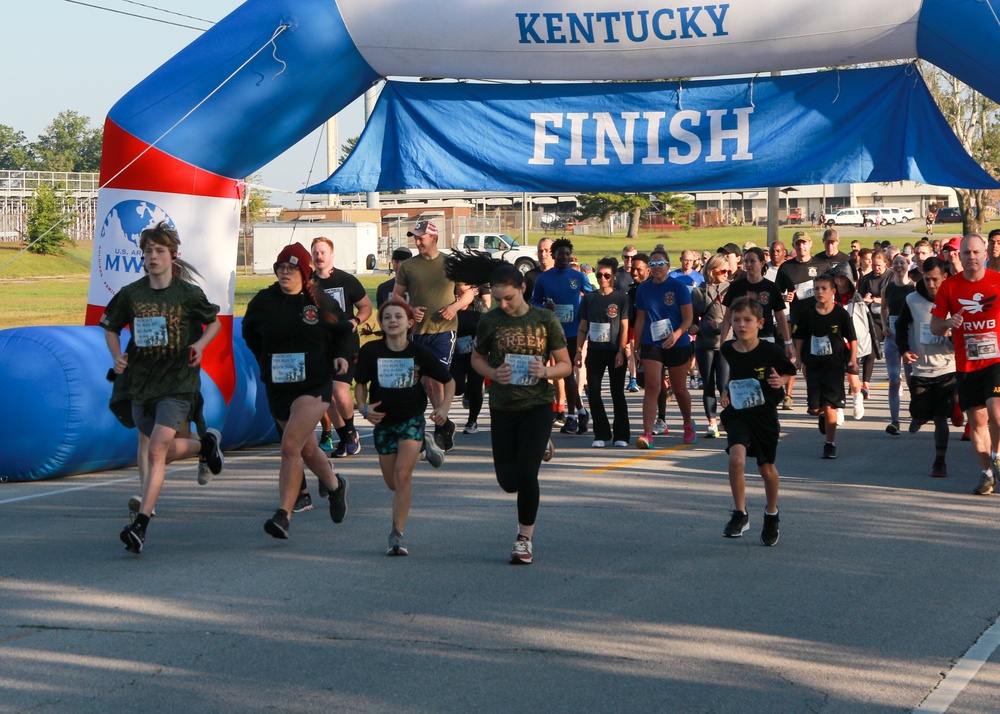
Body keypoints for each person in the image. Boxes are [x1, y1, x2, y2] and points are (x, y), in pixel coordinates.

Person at [102, 222, 224, 554]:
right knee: (160, 450)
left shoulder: (187, 294)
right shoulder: (132, 294)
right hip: (142, 383)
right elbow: (111, 326)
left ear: (173, 255)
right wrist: (117, 358)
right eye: (148, 252)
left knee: (156, 449)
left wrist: (200, 345)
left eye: (159, 251)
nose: (153, 257)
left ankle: (140, 524)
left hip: (178, 382)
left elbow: (213, 322)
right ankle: (204, 445)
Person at [447, 252, 572, 565]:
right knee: (508, 481)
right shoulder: (491, 320)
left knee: (527, 473)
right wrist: (492, 373)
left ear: (522, 289)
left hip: (537, 404)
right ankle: (539, 443)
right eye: (498, 299)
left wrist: (545, 371)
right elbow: (477, 358)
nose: (503, 304)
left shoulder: (545, 320)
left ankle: (524, 538)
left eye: (508, 298)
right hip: (503, 407)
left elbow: (567, 366)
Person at [242, 243, 350, 540]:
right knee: (305, 448)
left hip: (314, 384)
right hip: (278, 385)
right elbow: (250, 333)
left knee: (290, 445)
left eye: (291, 269)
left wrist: (340, 355)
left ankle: (283, 515)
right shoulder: (264, 301)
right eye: (280, 268)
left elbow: (343, 331)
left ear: (304, 272)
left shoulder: (319, 301)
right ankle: (335, 484)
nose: (284, 273)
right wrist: (264, 358)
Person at [355, 297, 455, 556]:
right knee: (392, 483)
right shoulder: (371, 351)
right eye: (387, 317)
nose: (392, 321)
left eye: (398, 317)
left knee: (402, 477)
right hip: (384, 423)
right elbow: (360, 385)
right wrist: (364, 409)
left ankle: (396, 534)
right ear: (381, 322)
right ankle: (424, 448)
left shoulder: (419, 352)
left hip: (411, 420)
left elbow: (449, 380)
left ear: (409, 323)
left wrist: (443, 408)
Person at [720, 296, 797, 546]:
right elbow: (733, 375)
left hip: (764, 415)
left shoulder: (770, 350)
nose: (742, 325)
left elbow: (790, 370)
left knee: (766, 469)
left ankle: (772, 513)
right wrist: (726, 392)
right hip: (739, 414)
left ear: (760, 323)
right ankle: (740, 513)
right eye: (736, 320)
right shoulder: (728, 349)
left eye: (748, 320)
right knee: (736, 459)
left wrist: (782, 381)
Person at [393, 220, 474, 452]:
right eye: (415, 238)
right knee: (427, 382)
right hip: (418, 332)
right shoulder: (408, 266)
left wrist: (454, 308)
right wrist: (410, 310)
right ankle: (445, 422)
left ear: (434, 238)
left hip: (444, 330)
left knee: (435, 377)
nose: (417, 242)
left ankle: (440, 425)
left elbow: (468, 294)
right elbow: (396, 296)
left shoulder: (450, 264)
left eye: (421, 238)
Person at [930, 235, 1000, 495]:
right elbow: (935, 325)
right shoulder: (950, 287)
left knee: (997, 413)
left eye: (976, 252)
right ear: (958, 255)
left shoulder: (997, 281)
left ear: (985, 255)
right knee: (978, 422)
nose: (972, 256)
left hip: (996, 361)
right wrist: (948, 324)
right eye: (967, 252)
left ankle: (997, 453)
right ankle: (986, 474)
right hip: (967, 365)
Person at [311, 236, 372, 459]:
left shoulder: (346, 280)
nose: (319, 256)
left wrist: (355, 322)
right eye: (316, 253)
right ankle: (345, 436)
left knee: (338, 390)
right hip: (319, 344)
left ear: (332, 255)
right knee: (324, 396)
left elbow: (366, 306)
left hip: (344, 342)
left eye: (323, 252)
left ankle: (351, 431)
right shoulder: (307, 282)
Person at [895, 257, 956, 477]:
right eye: (927, 279)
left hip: (948, 368)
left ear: (945, 277)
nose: (931, 284)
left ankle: (940, 461)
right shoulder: (912, 299)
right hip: (920, 368)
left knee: (941, 418)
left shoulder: (954, 298)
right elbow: (900, 325)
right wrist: (903, 349)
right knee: (919, 414)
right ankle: (919, 416)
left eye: (935, 279)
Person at [633, 248, 697, 447]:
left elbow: (688, 319)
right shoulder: (643, 289)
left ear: (668, 266)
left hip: (677, 342)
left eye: (661, 264)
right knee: (652, 386)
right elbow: (640, 320)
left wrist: (676, 335)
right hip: (652, 343)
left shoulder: (678, 287)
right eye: (652, 265)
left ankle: (688, 423)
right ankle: (647, 433)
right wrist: (636, 348)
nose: (657, 268)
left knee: (679, 389)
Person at [531, 237, 594, 435]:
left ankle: (573, 416)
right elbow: (534, 302)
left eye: (567, 254)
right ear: (553, 255)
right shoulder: (544, 278)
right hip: (550, 332)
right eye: (561, 254)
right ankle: (580, 412)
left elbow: (592, 298)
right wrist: (545, 307)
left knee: (567, 375)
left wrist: (585, 316)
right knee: (553, 375)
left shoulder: (578, 277)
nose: (565, 257)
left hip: (573, 332)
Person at [793, 273, 858, 460]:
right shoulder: (807, 313)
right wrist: (798, 358)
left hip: (834, 365)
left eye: (824, 289)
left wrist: (852, 359)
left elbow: (852, 338)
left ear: (833, 292)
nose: (819, 292)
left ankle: (830, 444)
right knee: (815, 408)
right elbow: (800, 337)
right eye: (816, 289)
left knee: (830, 405)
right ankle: (820, 413)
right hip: (813, 364)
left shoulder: (840, 314)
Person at [577, 257, 631, 447]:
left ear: (614, 276)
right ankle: (601, 433)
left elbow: (624, 327)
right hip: (595, 351)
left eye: (607, 275)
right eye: (599, 275)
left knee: (617, 393)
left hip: (615, 350)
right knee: (593, 392)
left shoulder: (621, 298)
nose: (603, 279)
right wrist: (578, 351)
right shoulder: (590, 298)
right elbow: (583, 327)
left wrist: (621, 350)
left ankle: (621, 435)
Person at [690, 254, 730, 439]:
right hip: (705, 344)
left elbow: (735, 316)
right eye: (722, 270)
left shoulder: (730, 289)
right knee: (708, 384)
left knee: (724, 384)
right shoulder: (698, 292)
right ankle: (711, 422)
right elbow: (692, 317)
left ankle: (727, 418)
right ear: (712, 271)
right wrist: (693, 326)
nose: (726, 274)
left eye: (728, 271)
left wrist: (721, 327)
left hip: (725, 344)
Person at [881, 254, 916, 434]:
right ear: (891, 266)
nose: (899, 266)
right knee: (894, 378)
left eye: (902, 263)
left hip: (909, 334)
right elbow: (883, 309)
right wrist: (885, 325)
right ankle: (895, 421)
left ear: (908, 265)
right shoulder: (888, 288)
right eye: (896, 263)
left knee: (911, 379)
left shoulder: (915, 288)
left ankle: (915, 413)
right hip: (893, 334)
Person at [625, 253, 651, 393]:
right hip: (638, 333)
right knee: (645, 380)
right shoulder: (632, 291)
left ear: (648, 270)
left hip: (657, 337)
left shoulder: (654, 287)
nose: (634, 273)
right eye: (632, 269)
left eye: (638, 270)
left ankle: (662, 414)